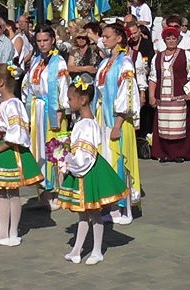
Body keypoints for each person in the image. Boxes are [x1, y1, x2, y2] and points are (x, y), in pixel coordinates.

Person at [59, 75, 129, 265]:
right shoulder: (81, 122)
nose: (68, 101)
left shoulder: (88, 124)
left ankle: (97, 251)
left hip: (87, 172)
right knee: (83, 214)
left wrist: (67, 162)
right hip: (80, 170)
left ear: (83, 100)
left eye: (70, 98)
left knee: (94, 213)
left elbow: (85, 155)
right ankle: (77, 250)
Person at [0, 63, 43, 247]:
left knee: (12, 191)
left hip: (10, 150)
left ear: (1, 82)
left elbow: (17, 131)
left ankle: (13, 232)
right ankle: (2, 232)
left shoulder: (13, 104)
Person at [94, 23, 141, 225]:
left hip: (117, 120)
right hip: (103, 117)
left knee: (119, 159)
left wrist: (118, 124)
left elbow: (127, 95)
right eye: (103, 36)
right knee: (107, 159)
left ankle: (124, 208)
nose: (103, 40)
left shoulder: (125, 63)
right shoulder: (105, 63)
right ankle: (112, 206)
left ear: (119, 38)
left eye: (107, 36)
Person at [23, 25, 70, 208]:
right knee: (39, 150)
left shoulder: (59, 62)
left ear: (53, 41)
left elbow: (63, 86)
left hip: (51, 110)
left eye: (45, 40)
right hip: (37, 110)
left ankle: (58, 192)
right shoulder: (36, 60)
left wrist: (59, 111)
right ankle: (45, 192)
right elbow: (28, 85)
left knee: (54, 150)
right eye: (39, 41)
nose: (42, 44)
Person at [149, 26, 190, 163]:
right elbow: (153, 77)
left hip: (178, 97)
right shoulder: (157, 57)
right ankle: (164, 153)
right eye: (168, 38)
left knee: (179, 124)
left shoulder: (185, 54)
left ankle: (180, 153)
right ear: (164, 40)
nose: (171, 41)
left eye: (173, 38)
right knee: (164, 125)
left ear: (177, 40)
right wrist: (151, 96)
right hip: (162, 97)